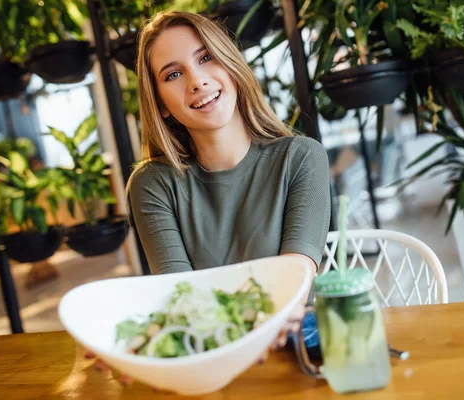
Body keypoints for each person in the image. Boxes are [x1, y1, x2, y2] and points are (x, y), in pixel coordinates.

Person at [89, 10, 331, 387]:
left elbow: (292, 283)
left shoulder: (302, 158)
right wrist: (138, 344)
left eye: (205, 58)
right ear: (162, 104)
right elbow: (180, 301)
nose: (197, 81)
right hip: (204, 363)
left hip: (293, 353)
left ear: (231, 66)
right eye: (173, 74)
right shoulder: (151, 184)